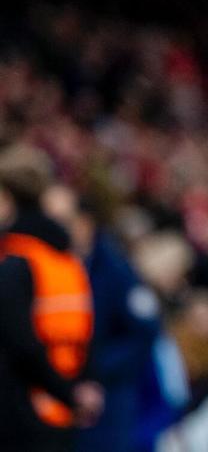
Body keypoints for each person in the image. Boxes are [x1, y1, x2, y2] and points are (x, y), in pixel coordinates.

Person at [40, 186, 161, 452]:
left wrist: (96, 369)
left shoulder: (117, 271)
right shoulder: (54, 265)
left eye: (63, 220)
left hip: (110, 401)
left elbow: (144, 333)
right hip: (64, 396)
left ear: (85, 222)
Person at [0, 145, 104, 452]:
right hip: (63, 410)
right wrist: (80, 390)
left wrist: (67, 393)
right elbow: (87, 331)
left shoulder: (15, 259)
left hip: (19, 412)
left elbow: (18, 342)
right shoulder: (68, 259)